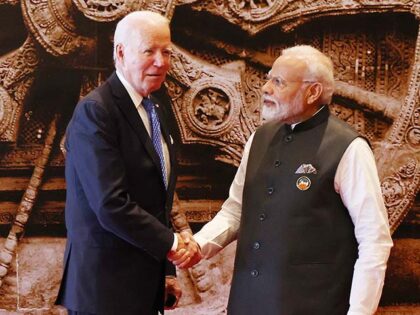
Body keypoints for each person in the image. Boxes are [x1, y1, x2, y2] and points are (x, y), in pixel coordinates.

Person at [193, 45, 393, 315]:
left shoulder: (349, 148)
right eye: (268, 78)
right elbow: (235, 211)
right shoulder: (258, 139)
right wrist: (198, 245)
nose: (265, 88)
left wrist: (359, 312)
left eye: (278, 82)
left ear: (313, 92)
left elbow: (374, 240)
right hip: (247, 305)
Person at [55, 11, 199, 315]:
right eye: (149, 51)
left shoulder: (158, 104)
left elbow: (155, 197)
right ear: (120, 52)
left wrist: (166, 272)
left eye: (166, 51)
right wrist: (173, 245)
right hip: (104, 290)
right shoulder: (96, 112)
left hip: (144, 283)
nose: (161, 62)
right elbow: (111, 204)